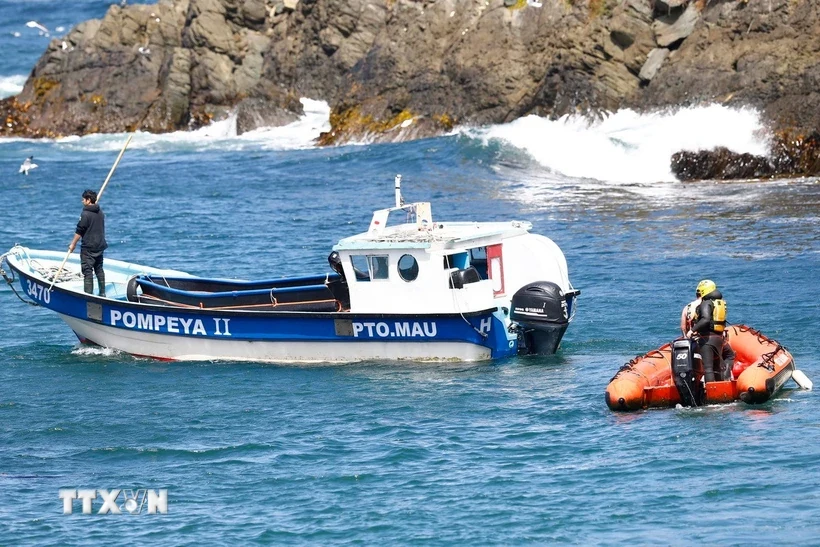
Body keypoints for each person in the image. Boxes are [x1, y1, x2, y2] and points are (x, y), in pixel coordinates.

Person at [685, 279, 728, 382]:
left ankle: (711, 393)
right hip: (718, 338)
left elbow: (706, 319)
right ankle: (721, 392)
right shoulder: (719, 303)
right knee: (717, 367)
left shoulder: (706, 303)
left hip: (707, 339)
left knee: (708, 368)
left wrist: (692, 330)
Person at [68, 189, 108, 296]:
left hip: (89, 247)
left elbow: (79, 230)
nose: (82, 201)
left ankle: (88, 295)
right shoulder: (100, 212)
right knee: (99, 269)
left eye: (84, 199)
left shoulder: (85, 214)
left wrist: (73, 244)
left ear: (88, 200)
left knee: (87, 271)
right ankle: (102, 293)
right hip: (99, 245)